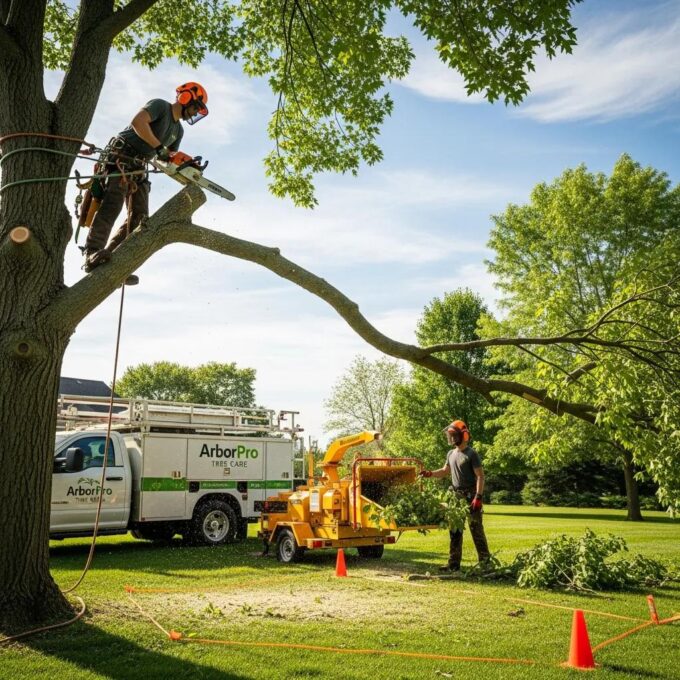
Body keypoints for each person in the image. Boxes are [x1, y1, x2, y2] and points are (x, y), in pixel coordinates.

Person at [81, 82, 209, 283]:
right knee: (112, 205)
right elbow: (138, 123)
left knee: (140, 218)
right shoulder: (160, 106)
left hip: (139, 168)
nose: (194, 114)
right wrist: (159, 148)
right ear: (185, 98)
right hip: (122, 157)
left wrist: (186, 165)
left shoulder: (179, 131)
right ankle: (92, 253)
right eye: (195, 108)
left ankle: (114, 261)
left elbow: (165, 158)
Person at [420, 419, 490, 573]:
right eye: (449, 435)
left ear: (462, 436)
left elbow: (480, 476)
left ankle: (486, 565)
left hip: (471, 496)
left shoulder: (471, 454)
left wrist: (478, 496)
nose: (450, 438)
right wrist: (430, 473)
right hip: (456, 497)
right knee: (455, 531)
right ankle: (453, 564)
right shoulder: (451, 454)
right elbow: (445, 471)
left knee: (476, 530)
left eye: (453, 435)